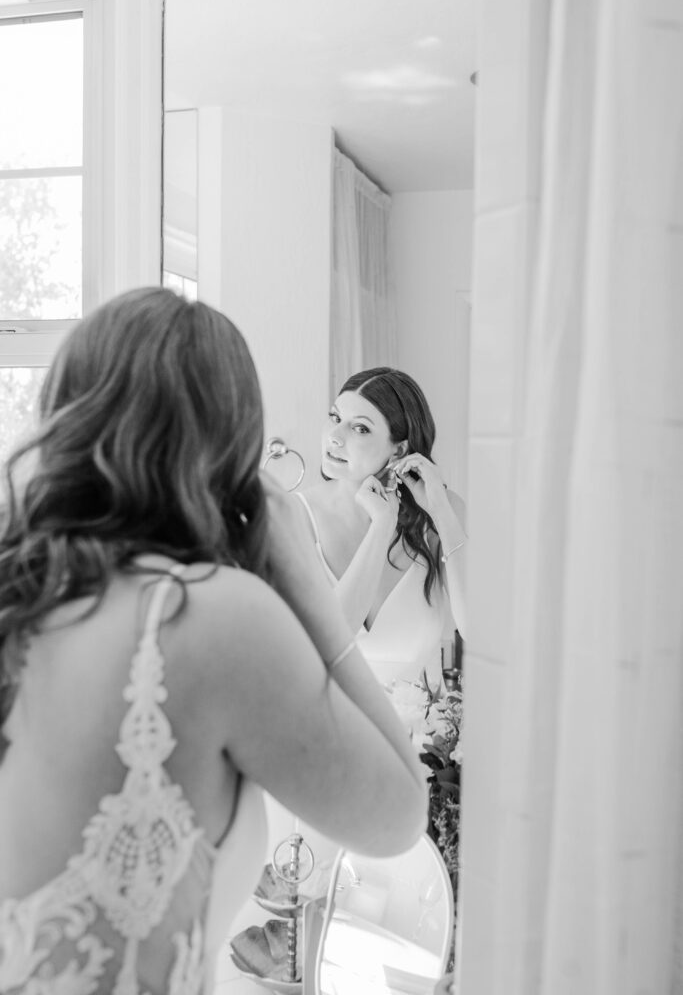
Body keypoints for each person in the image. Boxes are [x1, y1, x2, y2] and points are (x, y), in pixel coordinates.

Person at [0, 290, 427, 995]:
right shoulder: (208, 617)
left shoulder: (22, 586)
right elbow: (397, 815)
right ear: (230, 443)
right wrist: (307, 594)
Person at [296, 367, 467, 694]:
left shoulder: (444, 511)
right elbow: (330, 644)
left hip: (420, 736)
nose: (335, 436)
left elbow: (477, 629)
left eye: (359, 428)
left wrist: (441, 512)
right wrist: (381, 526)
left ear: (399, 450)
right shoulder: (295, 515)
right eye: (334, 417)